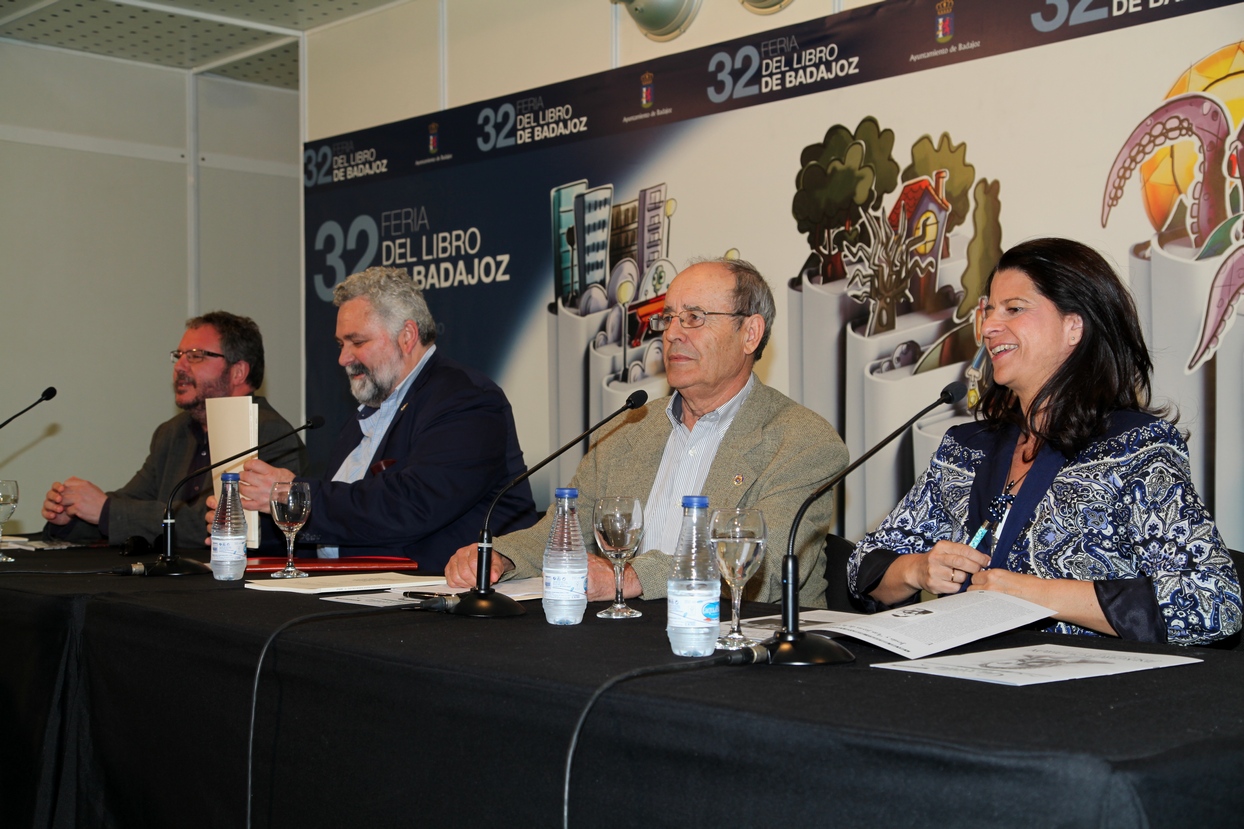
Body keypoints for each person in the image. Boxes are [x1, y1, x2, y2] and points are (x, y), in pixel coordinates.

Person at [848, 237, 1242, 645]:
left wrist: (1032, 595)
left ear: (1074, 326)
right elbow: (863, 568)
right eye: (989, 311)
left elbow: (1212, 603)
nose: (988, 327)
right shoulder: (964, 449)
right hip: (966, 684)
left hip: (1090, 694)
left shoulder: (1137, 449)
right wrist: (918, 569)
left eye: (1014, 309)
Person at [444, 258, 849, 606]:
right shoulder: (628, 427)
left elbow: (762, 568)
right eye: (668, 317)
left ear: (750, 334)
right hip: (626, 641)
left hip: (752, 650)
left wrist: (633, 576)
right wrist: (502, 556)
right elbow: (564, 532)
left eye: (694, 317)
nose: (672, 333)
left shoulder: (802, 442)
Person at [231, 266, 537, 569]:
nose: (343, 358)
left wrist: (298, 495)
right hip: (357, 592)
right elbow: (343, 527)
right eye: (341, 344)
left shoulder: (466, 399)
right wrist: (254, 525)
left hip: (441, 599)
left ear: (406, 336)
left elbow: (411, 505)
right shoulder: (366, 414)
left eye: (358, 342)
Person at [41, 312, 308, 549]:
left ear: (238, 372)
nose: (179, 367)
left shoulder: (270, 434)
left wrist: (106, 510)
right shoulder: (172, 433)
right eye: (178, 356)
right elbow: (132, 503)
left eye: (195, 356)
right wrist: (72, 516)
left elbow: (213, 523)